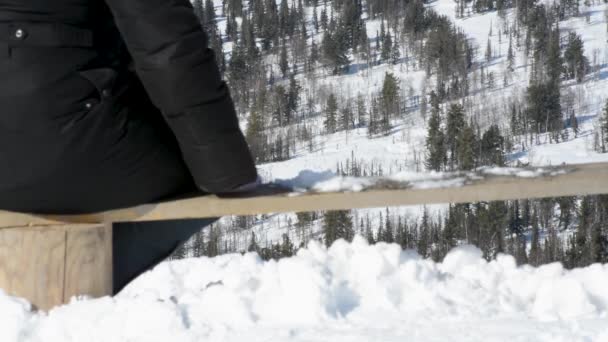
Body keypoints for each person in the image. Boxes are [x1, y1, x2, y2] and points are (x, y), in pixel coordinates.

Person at [0, 0, 258, 292]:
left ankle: (31, 293)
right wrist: (227, 173)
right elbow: (168, 47)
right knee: (206, 178)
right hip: (67, 148)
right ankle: (71, 290)